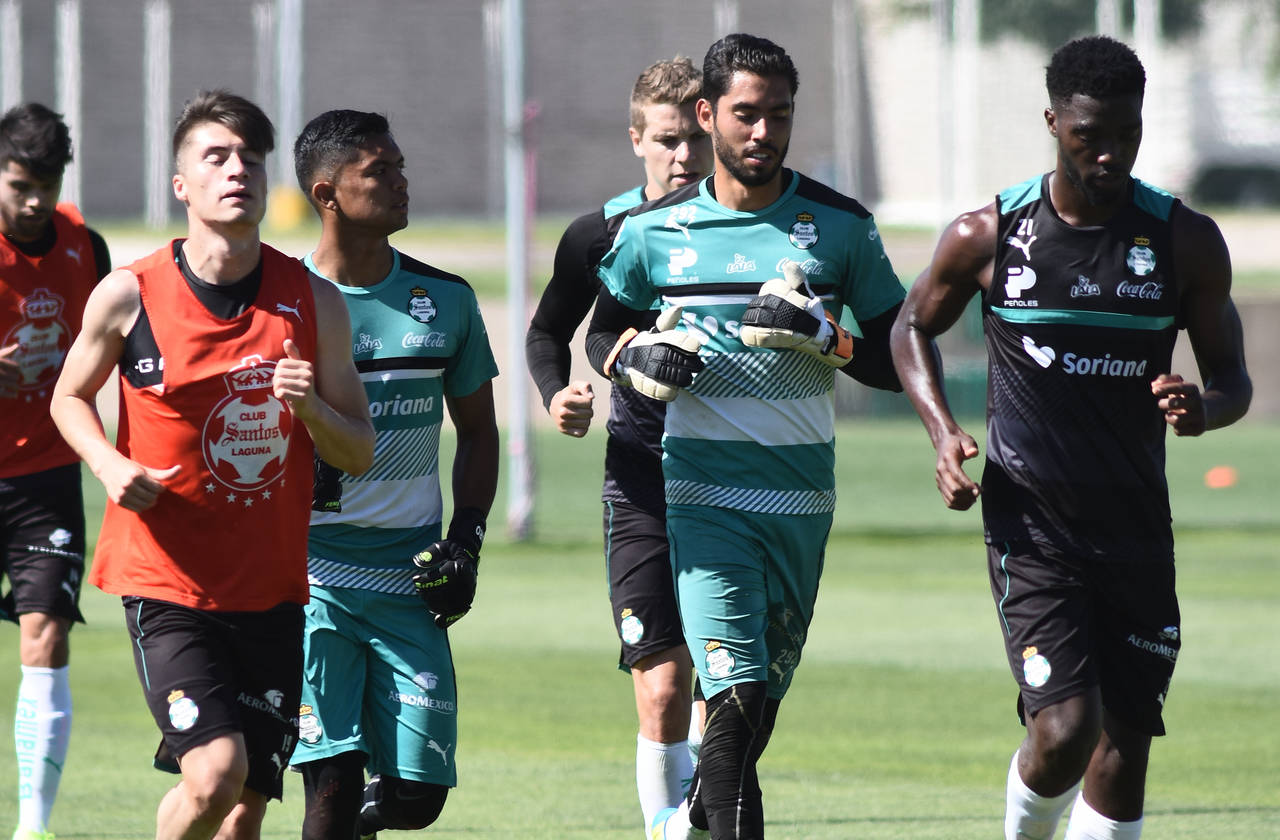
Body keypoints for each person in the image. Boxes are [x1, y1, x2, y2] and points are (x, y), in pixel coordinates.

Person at [889, 35, 1251, 840]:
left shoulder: (1183, 240)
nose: (1110, 153)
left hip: (1135, 525)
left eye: (1127, 133)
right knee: (1064, 732)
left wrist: (1202, 408)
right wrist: (943, 433)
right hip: (1033, 526)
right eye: (1091, 135)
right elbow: (911, 325)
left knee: (1125, 749)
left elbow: (1233, 380)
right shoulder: (990, 233)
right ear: (1054, 123)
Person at [588, 34, 906, 840]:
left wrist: (828, 338)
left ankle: (677, 828)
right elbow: (601, 331)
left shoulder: (841, 227)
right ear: (707, 115)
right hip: (702, 499)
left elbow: (903, 359)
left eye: (779, 115)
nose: (763, 132)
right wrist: (633, 360)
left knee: (750, 718)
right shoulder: (653, 232)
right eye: (746, 114)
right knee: (730, 701)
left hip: (801, 504)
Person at [49, 90, 375, 840]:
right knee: (216, 773)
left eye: (250, 159)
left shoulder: (313, 301)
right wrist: (107, 464)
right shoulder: (129, 294)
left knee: (242, 811)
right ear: (181, 184)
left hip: (270, 590)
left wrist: (310, 409)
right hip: (166, 583)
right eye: (216, 157)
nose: (237, 171)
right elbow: (68, 397)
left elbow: (358, 449)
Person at [289, 109, 499, 840]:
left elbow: (479, 431)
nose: (401, 182)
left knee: (417, 798)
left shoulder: (447, 299)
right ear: (326, 193)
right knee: (331, 784)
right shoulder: (283, 302)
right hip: (310, 576)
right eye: (379, 171)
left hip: (408, 579)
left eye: (400, 166)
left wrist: (466, 541)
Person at [524, 56, 712, 834]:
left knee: (722, 696)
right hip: (640, 483)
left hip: (737, 479)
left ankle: (701, 815)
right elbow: (547, 332)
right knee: (663, 688)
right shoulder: (598, 235)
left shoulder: (747, 228)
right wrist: (557, 395)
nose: (684, 155)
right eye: (667, 139)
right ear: (637, 139)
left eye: (695, 138)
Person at [0, 102, 110, 840]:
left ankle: (32, 829)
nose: (35, 201)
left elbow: (122, 347)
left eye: (48, 185)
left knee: (46, 636)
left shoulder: (84, 246)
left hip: (46, 478)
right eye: (19, 186)